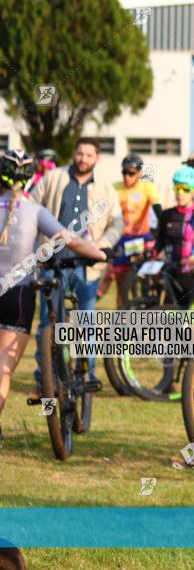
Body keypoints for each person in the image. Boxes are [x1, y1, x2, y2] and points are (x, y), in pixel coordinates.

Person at [0, 150, 106, 447]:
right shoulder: (34, 211)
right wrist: (99, 253)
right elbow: (70, 240)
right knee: (3, 369)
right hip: (17, 295)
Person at [29, 137, 124, 398]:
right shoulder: (53, 178)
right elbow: (31, 209)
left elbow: (118, 222)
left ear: (97, 158)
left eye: (89, 155)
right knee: (48, 324)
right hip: (52, 262)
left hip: (87, 266)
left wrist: (103, 246)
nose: (83, 159)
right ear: (74, 154)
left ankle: (86, 380)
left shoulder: (105, 187)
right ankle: (44, 382)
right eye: (79, 154)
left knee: (87, 324)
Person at [99, 154, 161, 307]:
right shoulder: (115, 188)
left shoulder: (147, 186)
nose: (127, 177)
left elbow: (157, 207)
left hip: (141, 237)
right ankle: (117, 311)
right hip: (121, 237)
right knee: (116, 277)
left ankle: (151, 306)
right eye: (124, 173)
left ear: (140, 173)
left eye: (131, 173)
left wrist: (164, 224)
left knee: (147, 273)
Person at [155, 167, 194, 308]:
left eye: (185, 189)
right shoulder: (167, 214)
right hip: (170, 273)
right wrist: (151, 254)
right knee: (169, 320)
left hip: (193, 276)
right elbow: (160, 241)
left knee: (190, 323)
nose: (180, 193)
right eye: (177, 187)